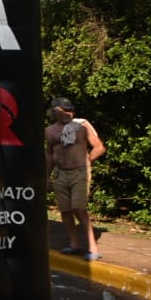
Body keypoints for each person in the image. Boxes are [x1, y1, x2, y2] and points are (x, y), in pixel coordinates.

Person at [45, 97, 106, 260]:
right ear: (56, 111)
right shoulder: (50, 131)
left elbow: (99, 147)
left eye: (71, 110)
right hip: (60, 173)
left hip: (80, 172)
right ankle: (75, 244)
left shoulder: (82, 126)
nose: (70, 113)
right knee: (65, 210)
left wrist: (88, 160)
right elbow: (50, 154)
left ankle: (93, 248)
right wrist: (46, 175)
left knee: (79, 209)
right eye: (65, 110)